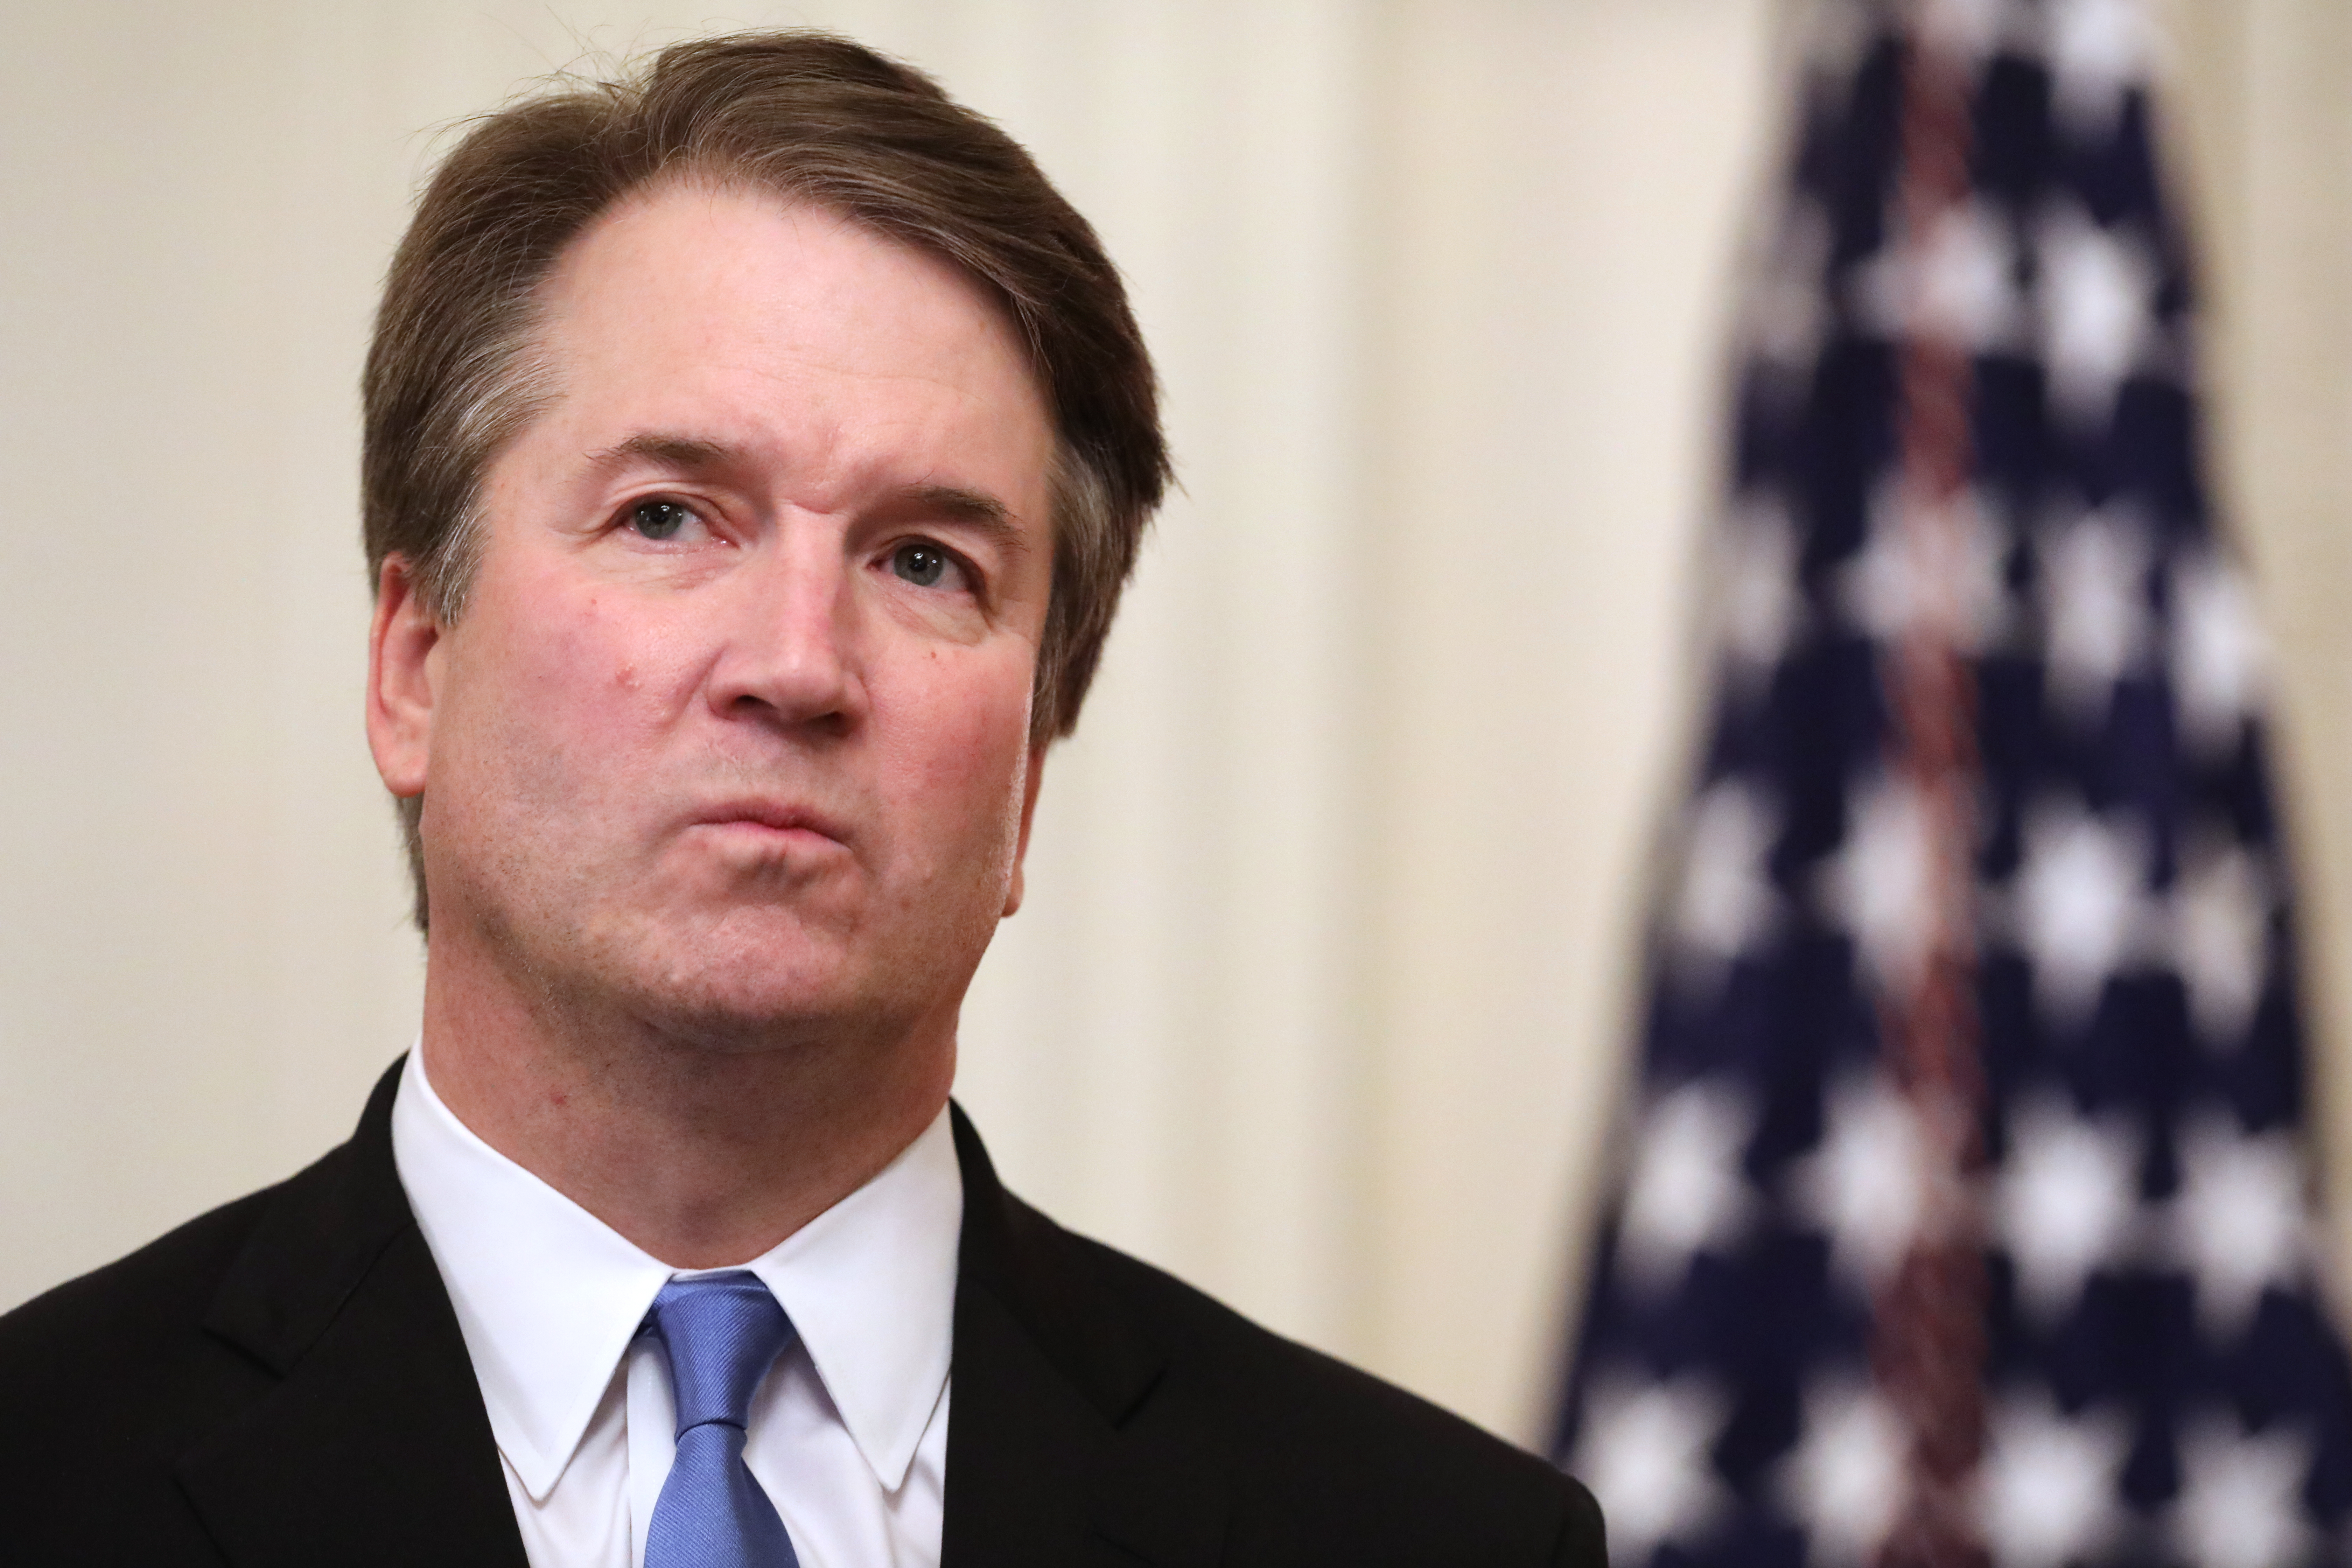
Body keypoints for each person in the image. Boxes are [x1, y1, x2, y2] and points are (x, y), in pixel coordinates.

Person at [0, 30, 1603, 1568]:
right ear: (415, 666)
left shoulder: (1426, 1537)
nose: (798, 663)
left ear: (1030, 774)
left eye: (925, 562)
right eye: (670, 517)